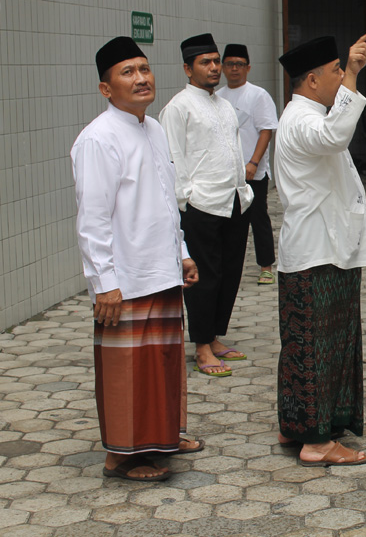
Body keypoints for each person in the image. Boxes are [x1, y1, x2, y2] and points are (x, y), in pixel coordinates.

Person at [72, 36, 203, 482]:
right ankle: (121, 456)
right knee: (128, 370)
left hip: (161, 269)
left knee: (163, 364)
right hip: (125, 279)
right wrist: (103, 282)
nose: (141, 78)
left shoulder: (154, 128)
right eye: (127, 72)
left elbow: (166, 201)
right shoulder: (98, 139)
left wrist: (182, 253)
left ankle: (163, 437)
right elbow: (92, 220)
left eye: (144, 69)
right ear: (106, 89)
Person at [273, 34, 366, 466]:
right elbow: (336, 136)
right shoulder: (301, 119)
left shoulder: (308, 112)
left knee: (320, 342)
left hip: (327, 249)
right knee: (314, 345)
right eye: (336, 71)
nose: (342, 76)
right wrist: (354, 73)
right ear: (313, 80)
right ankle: (315, 443)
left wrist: (349, 73)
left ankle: (303, 424)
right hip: (316, 251)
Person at [159, 33, 254, 377]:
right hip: (199, 206)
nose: (215, 68)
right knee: (204, 277)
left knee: (228, 274)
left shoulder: (224, 104)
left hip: (232, 201)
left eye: (216, 61)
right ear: (187, 68)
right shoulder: (178, 107)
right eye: (206, 62)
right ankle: (201, 346)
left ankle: (214, 337)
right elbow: (173, 159)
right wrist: (186, 200)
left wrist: (243, 191)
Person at [216, 44, 280, 286]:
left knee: (258, 218)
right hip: (226, 172)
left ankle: (266, 266)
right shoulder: (218, 97)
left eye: (239, 64)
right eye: (230, 64)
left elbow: (266, 131)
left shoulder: (258, 95)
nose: (234, 69)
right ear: (223, 68)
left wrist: (254, 161)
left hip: (253, 171)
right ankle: (228, 266)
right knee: (229, 220)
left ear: (248, 68)